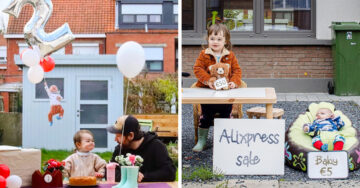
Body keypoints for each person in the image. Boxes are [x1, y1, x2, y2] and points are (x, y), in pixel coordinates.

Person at [192, 23, 242, 152]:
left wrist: (233, 82)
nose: (215, 42)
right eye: (212, 38)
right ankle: (202, 140)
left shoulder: (230, 55)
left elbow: (237, 70)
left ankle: (224, 140)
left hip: (225, 95)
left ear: (225, 41)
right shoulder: (204, 54)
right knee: (206, 116)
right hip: (208, 93)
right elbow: (197, 69)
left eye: (219, 39)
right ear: (208, 39)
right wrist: (207, 80)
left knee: (226, 115)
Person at [107, 115, 176, 182]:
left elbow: (169, 173)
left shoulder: (156, 146)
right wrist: (125, 176)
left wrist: (143, 177)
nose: (115, 139)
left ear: (130, 135)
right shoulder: (120, 149)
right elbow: (109, 170)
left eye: (118, 136)